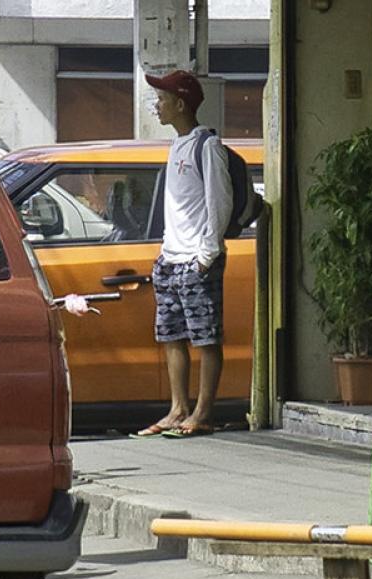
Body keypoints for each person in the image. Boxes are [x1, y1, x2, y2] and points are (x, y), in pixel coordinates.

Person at [134, 69, 234, 439]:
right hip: (171, 258)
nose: (156, 106)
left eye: (161, 99)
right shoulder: (176, 145)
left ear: (180, 104)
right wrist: (165, 252)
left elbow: (219, 202)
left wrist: (206, 254)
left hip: (196, 259)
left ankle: (203, 413)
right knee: (171, 335)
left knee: (206, 338)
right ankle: (178, 409)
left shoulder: (206, 145)